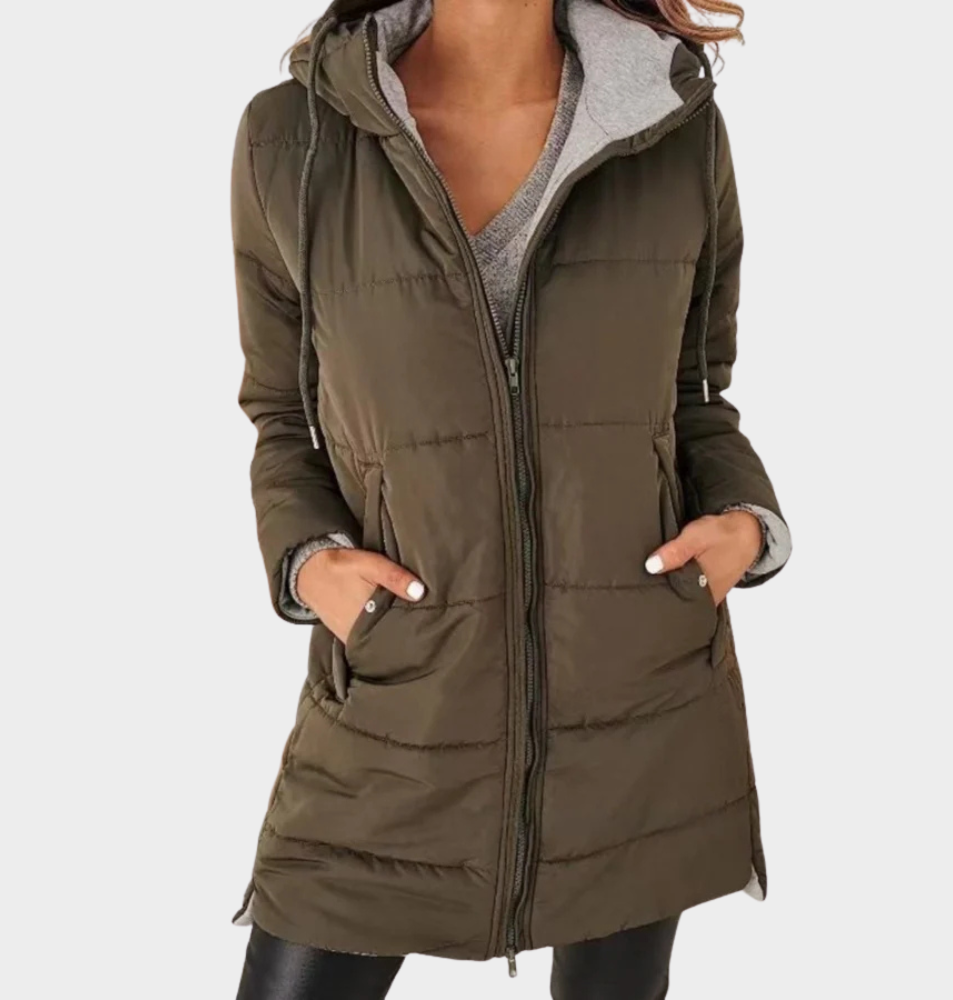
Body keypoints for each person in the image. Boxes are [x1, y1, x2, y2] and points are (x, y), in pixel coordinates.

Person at [229, 0, 792, 996]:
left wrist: (748, 525)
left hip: (637, 710)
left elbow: (694, 393)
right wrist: (308, 563)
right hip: (398, 705)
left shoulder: (667, 122)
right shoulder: (294, 137)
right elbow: (282, 411)